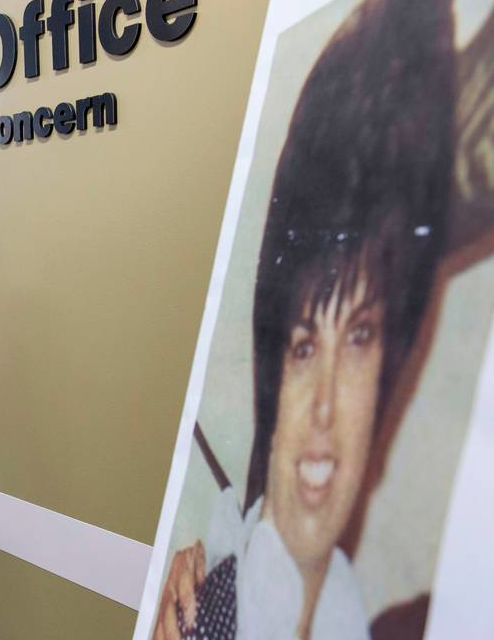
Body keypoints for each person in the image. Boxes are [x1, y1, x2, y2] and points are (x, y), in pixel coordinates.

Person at [152, 1, 455, 639]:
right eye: (304, 347)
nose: (322, 409)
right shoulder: (209, 614)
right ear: (272, 380)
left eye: (360, 337)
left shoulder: (355, 616)